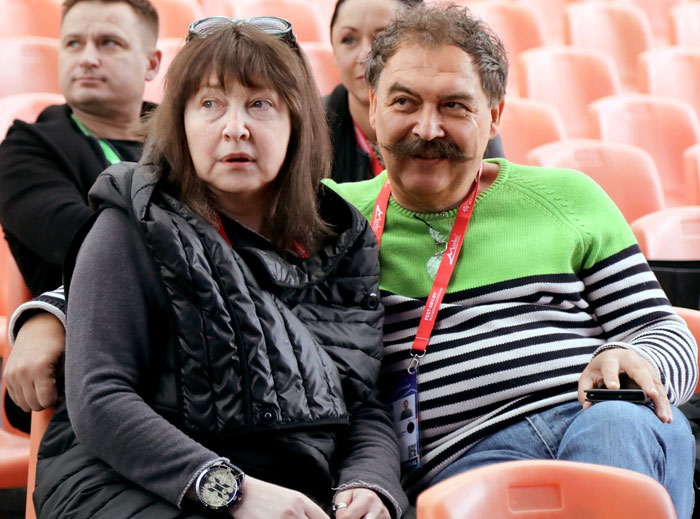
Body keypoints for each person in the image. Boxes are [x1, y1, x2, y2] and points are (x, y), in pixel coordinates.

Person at [326, 4, 697, 518]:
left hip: (602, 419)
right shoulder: (332, 219)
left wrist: (638, 357)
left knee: (618, 426)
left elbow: (664, 329)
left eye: (455, 106)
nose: (427, 128)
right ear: (373, 106)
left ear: (495, 114)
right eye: (404, 102)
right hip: (467, 462)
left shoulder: (568, 197)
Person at [32, 17, 406, 519]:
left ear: (297, 121)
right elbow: (99, 398)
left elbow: (361, 401)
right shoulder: (130, 222)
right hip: (132, 479)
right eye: (209, 104)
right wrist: (232, 491)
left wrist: (370, 482)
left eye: (260, 104)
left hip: (292, 489)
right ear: (181, 123)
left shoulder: (341, 238)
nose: (235, 127)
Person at [0, 0, 161, 431]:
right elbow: (92, 244)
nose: (87, 57)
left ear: (151, 63)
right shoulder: (28, 149)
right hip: (97, 370)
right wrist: (53, 312)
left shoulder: (186, 134)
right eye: (73, 43)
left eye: (108, 43)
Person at [325, 0, 504, 183]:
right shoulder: (313, 127)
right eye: (348, 40)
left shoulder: (472, 120)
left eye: (382, 39)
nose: (364, 55)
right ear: (333, 50)